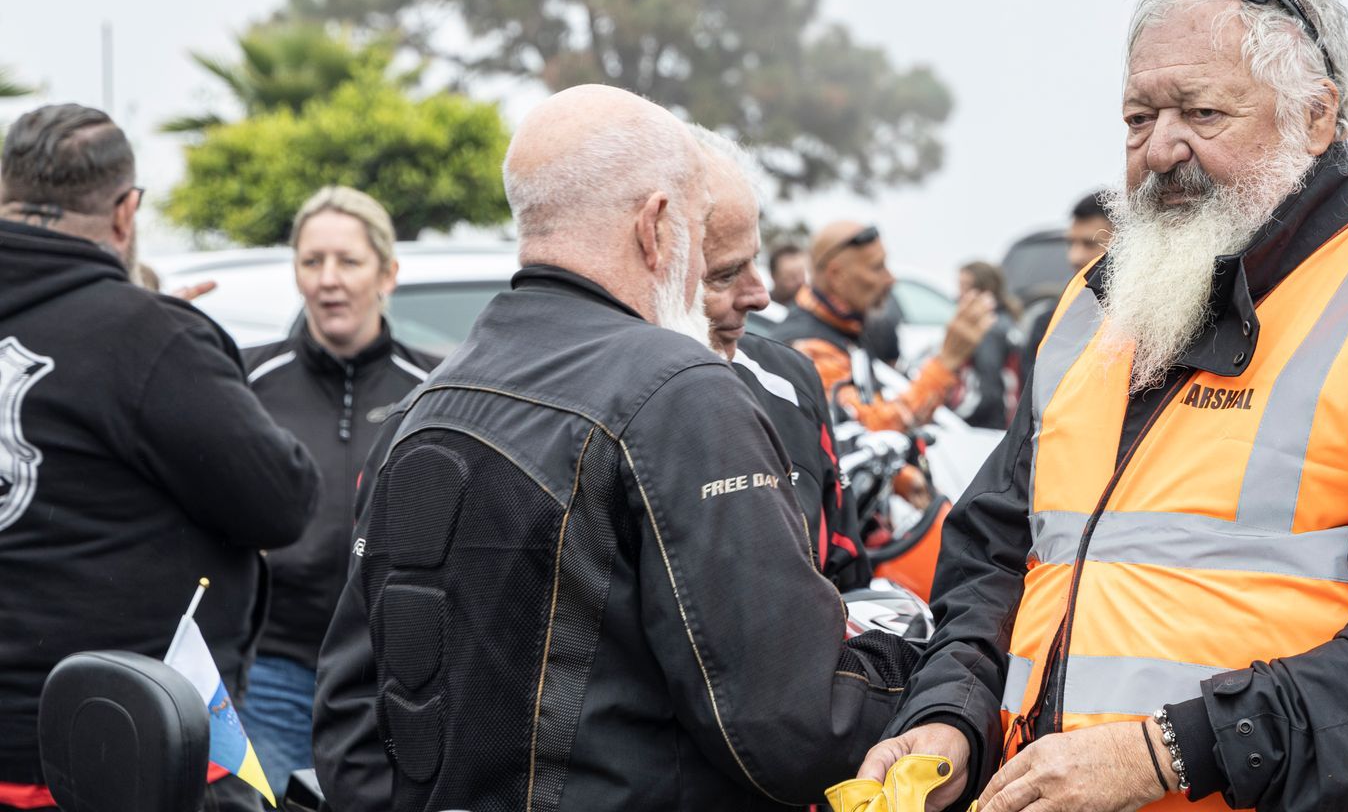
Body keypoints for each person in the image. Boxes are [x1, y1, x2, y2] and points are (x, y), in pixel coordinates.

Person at [858, 0, 1348, 812]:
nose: (1160, 149)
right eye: (1137, 117)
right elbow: (996, 557)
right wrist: (951, 715)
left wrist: (1167, 754)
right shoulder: (1089, 311)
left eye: (1202, 112)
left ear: (1316, 115)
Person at [312, 85, 912, 812]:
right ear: (657, 226)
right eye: (702, 239)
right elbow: (790, 727)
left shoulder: (420, 406)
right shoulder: (682, 391)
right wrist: (905, 644)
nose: (724, 284)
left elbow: (351, 718)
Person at [0, 104, 319, 811]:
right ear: (125, 212)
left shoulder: (138, 333)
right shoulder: (146, 338)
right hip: (120, 759)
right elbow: (282, 500)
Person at [237, 187, 441, 797]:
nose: (329, 280)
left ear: (388, 273)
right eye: (311, 261)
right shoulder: (246, 380)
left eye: (348, 261)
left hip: (396, 678)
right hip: (273, 672)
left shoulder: (435, 387)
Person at [693, 127, 869, 590]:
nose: (761, 296)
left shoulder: (789, 376)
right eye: (726, 273)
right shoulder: (583, 408)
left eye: (756, 262)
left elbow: (844, 566)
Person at [778, 221, 995, 432]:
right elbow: (876, 428)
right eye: (877, 267)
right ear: (836, 275)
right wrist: (946, 362)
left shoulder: (843, 327)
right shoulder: (810, 348)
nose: (890, 279)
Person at [1016, 193, 1112, 394]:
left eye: (1089, 243)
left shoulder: (1142, 328)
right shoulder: (1048, 323)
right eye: (1070, 244)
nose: (1074, 256)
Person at [950, 261, 1022, 430]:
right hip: (1005, 420)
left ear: (985, 291)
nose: (958, 295)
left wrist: (954, 415)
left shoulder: (989, 329)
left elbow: (988, 392)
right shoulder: (1006, 321)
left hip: (988, 426)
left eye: (964, 287)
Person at [768, 242, 809, 308]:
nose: (800, 281)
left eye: (802, 274)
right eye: (791, 277)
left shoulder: (813, 307)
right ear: (773, 276)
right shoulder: (764, 309)